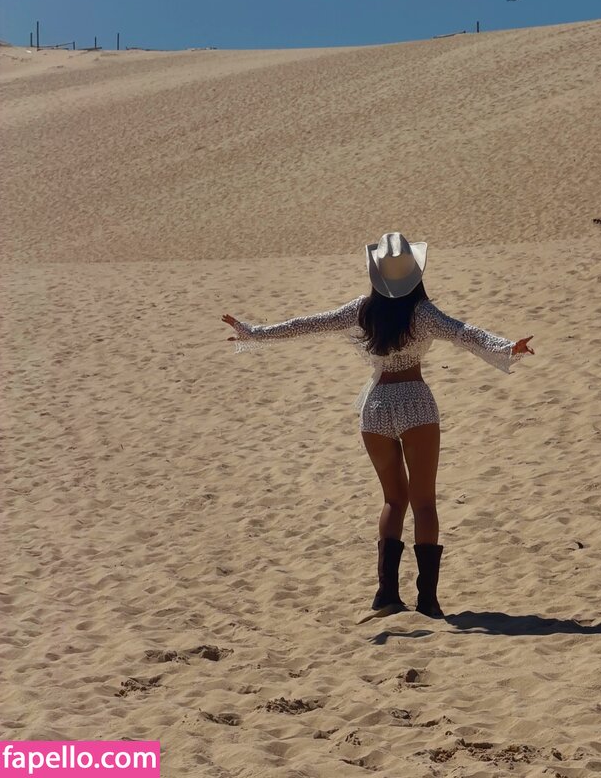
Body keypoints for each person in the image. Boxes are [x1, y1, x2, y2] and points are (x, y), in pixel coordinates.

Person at [222, 231, 533, 620]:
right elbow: (463, 333)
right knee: (423, 502)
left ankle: (386, 595)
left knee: (392, 501)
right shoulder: (422, 312)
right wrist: (506, 348)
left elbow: (308, 324)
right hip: (415, 404)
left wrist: (254, 333)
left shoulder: (362, 310)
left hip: (376, 409)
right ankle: (428, 601)